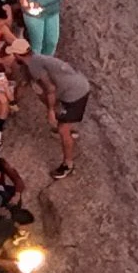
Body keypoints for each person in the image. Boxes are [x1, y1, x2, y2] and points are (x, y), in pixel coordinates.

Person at [29, 50, 93, 178]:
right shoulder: (41, 58)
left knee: (63, 130)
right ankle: (69, 128)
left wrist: (50, 111)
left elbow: (50, 89)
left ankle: (67, 164)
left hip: (74, 94)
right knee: (60, 115)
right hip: (80, 85)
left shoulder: (33, 65)